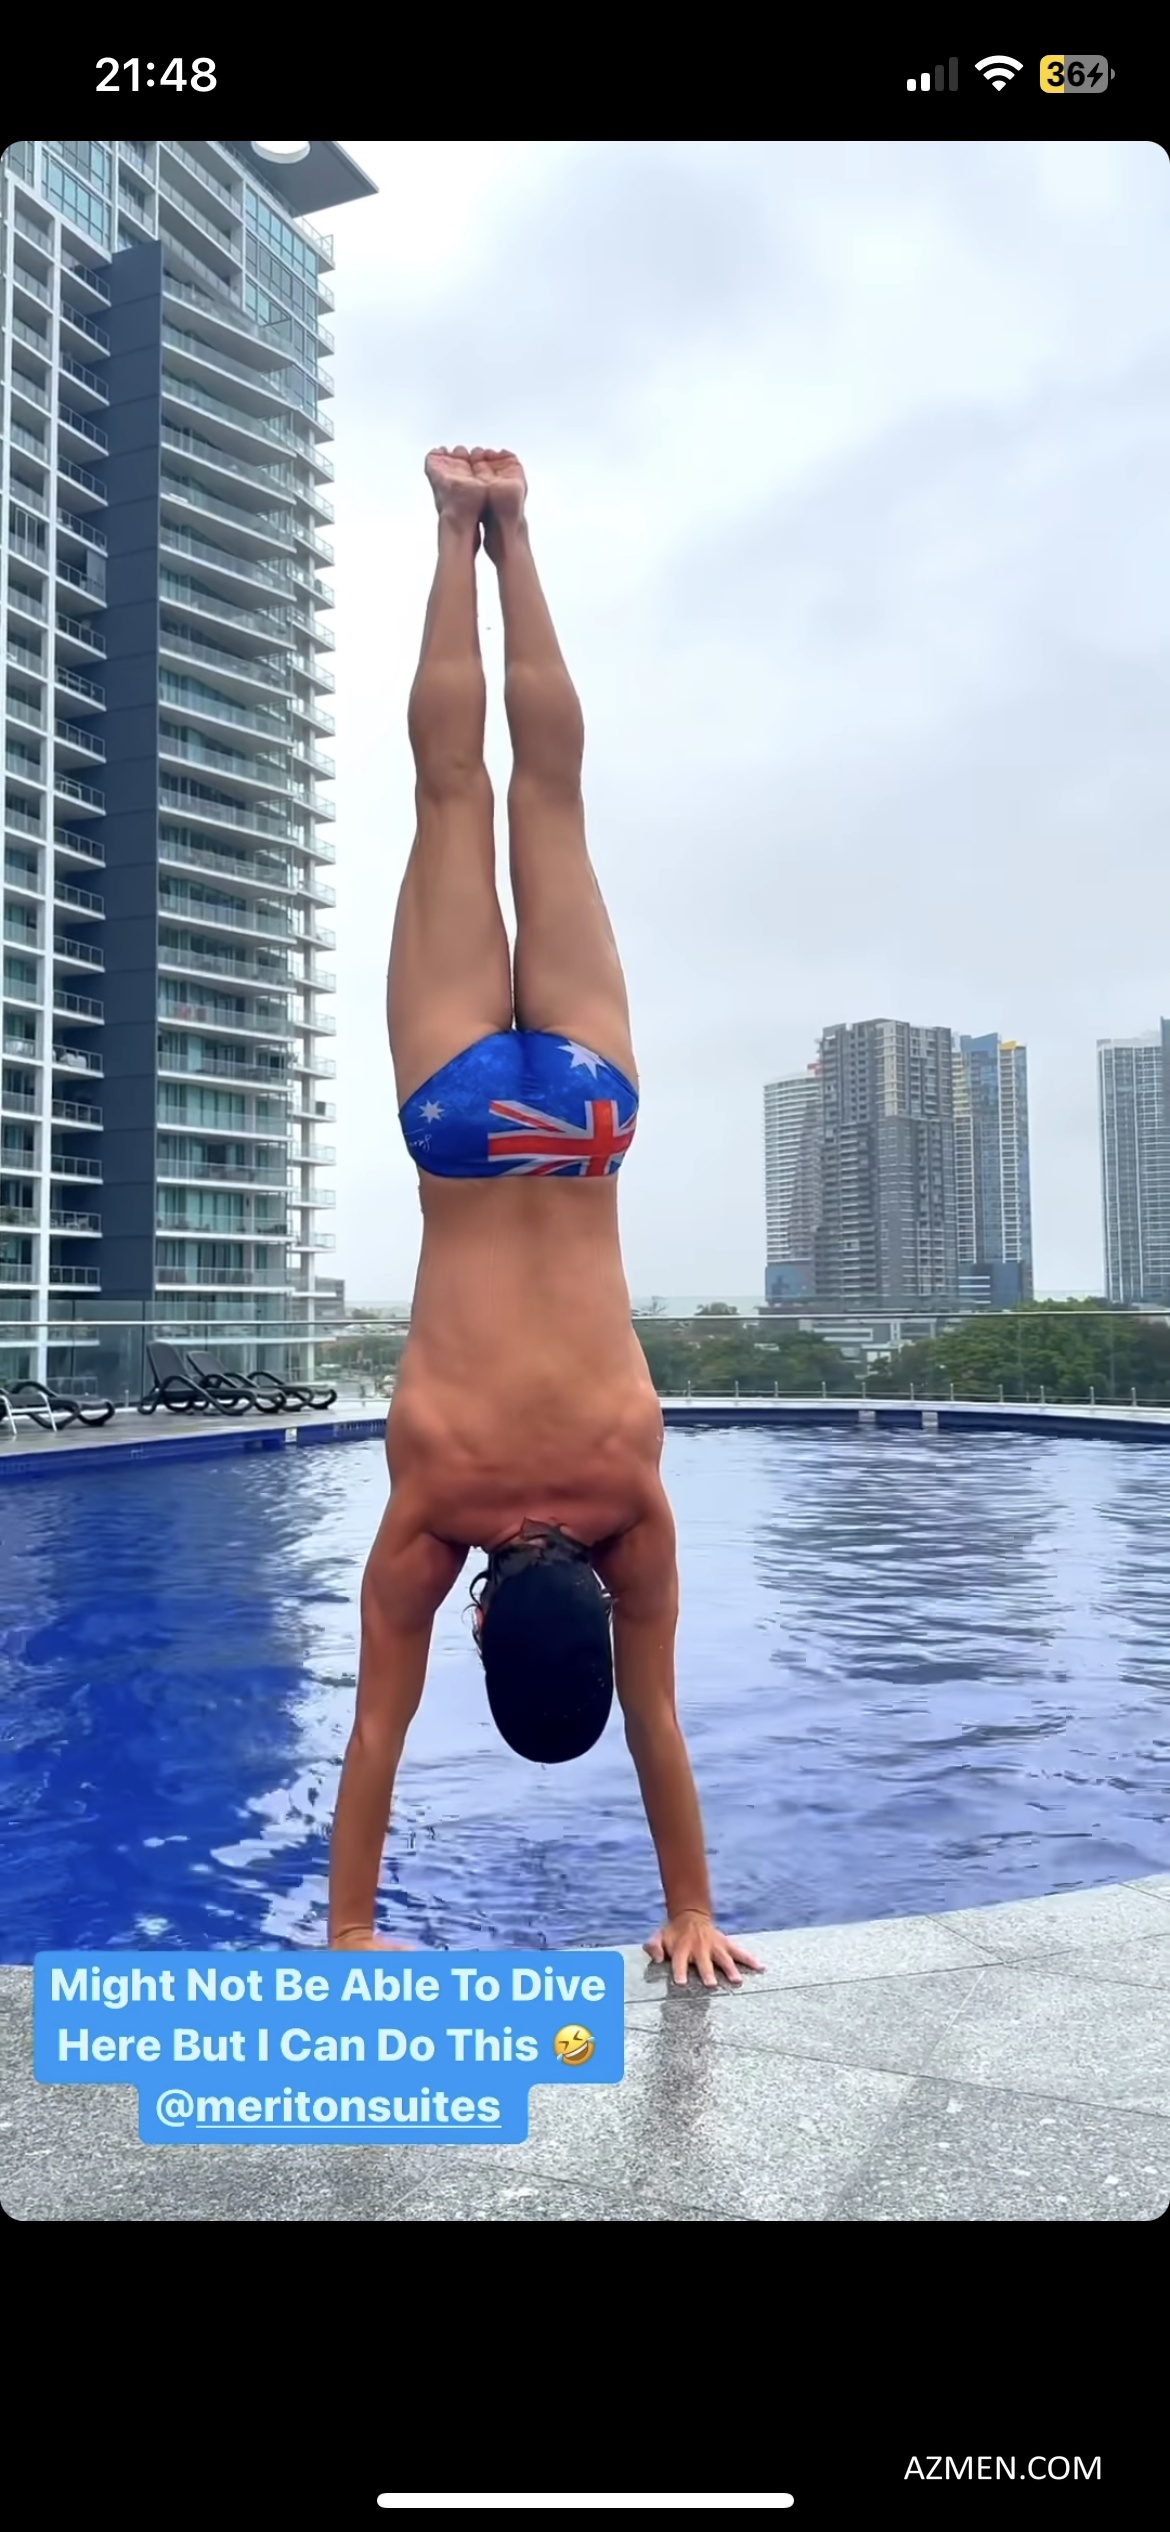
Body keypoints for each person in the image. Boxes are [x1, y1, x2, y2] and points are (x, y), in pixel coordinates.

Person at [327, 448, 762, 1991]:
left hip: (581, 1128)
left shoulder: (631, 1503)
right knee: (452, 794)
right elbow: (373, 1735)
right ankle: (458, 529)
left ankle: (516, 535)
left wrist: (693, 1903)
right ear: (475, 1619)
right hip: (462, 1127)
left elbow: (655, 1718)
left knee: (552, 801)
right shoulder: (429, 1512)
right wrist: (352, 1933)